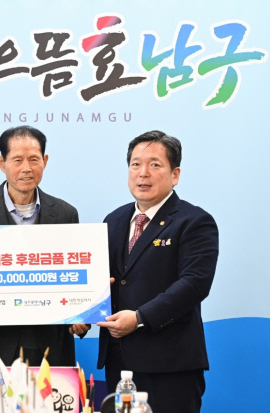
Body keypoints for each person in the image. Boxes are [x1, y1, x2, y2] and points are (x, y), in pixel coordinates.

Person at [0, 125, 89, 413]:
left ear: (45, 161)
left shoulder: (66, 214)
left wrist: (83, 315)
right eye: (17, 160)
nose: (26, 168)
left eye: (34, 159)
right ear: (1, 162)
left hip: (51, 352)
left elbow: (75, 279)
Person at [97, 130, 219, 413]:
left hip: (170, 365)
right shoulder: (113, 220)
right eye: (136, 164)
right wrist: (80, 314)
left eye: (155, 164)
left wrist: (140, 318)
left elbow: (195, 284)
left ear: (175, 174)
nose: (143, 173)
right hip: (119, 363)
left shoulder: (194, 221)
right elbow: (104, 280)